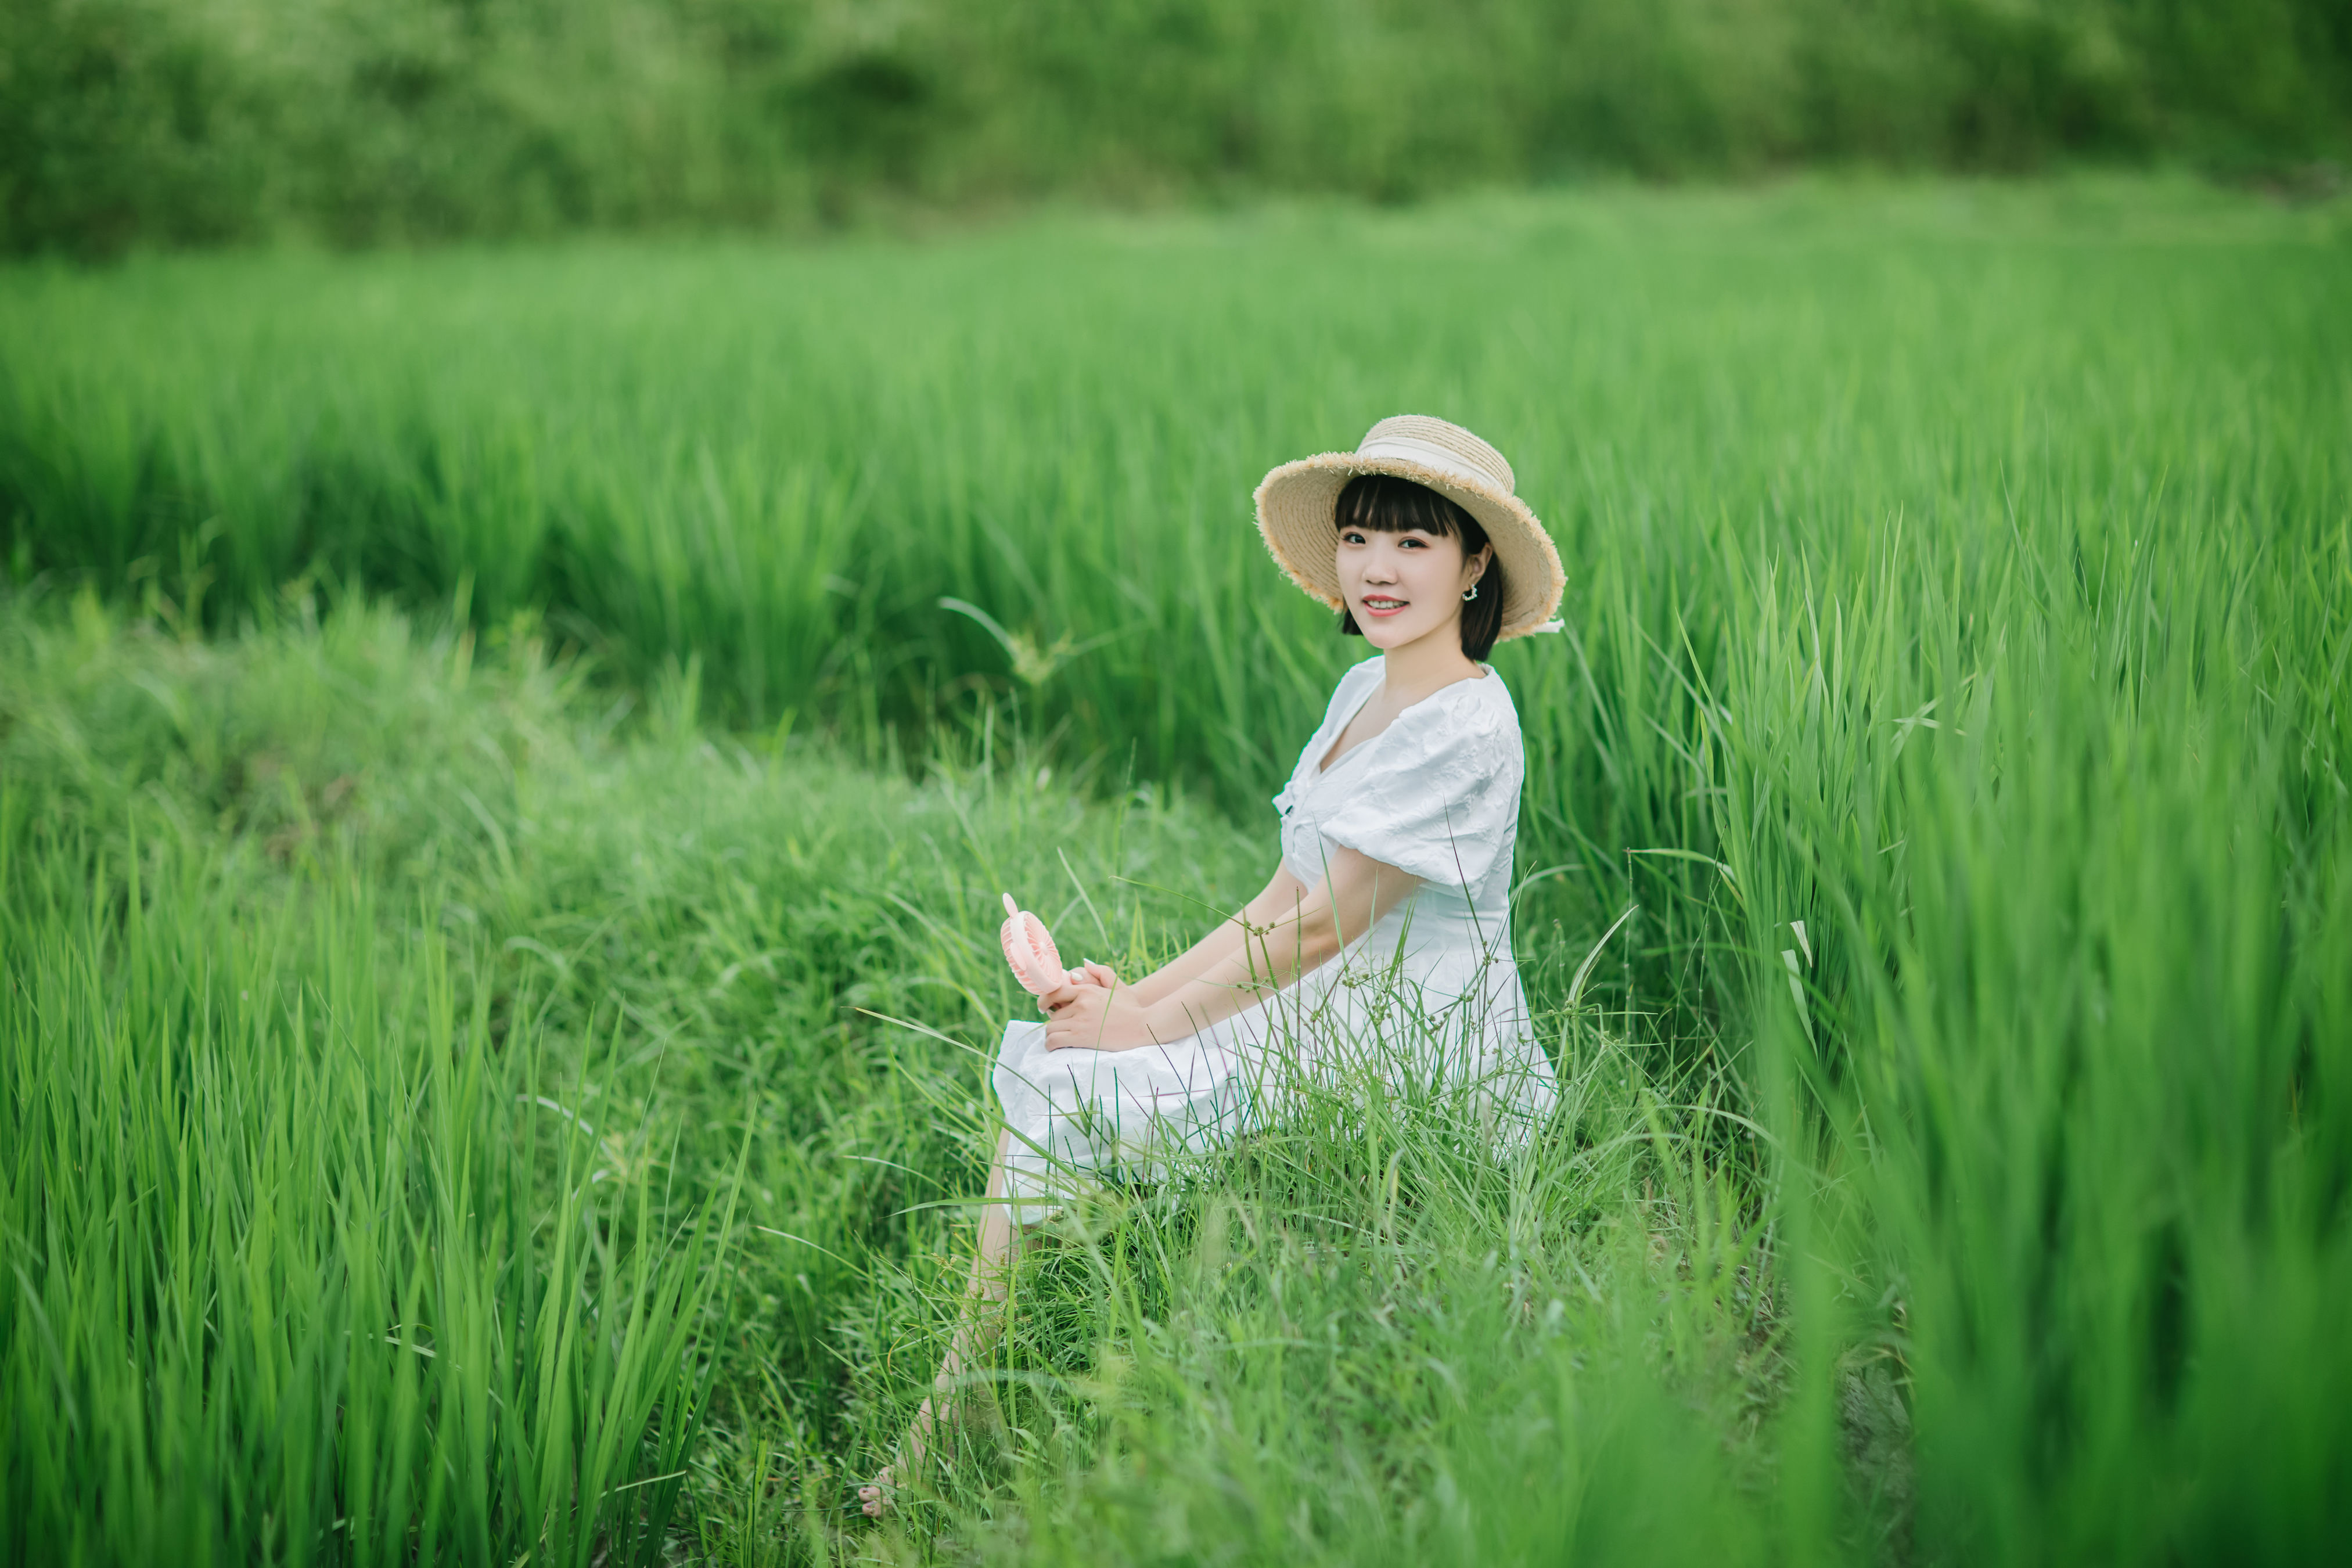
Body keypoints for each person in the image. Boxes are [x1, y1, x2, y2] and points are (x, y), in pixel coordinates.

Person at [861, 414, 1566, 1517]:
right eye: (1361, 540)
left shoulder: (1465, 727)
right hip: (1320, 1004)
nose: (1378, 570)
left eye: (1416, 545)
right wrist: (1122, 998)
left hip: (1409, 1043)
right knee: (1059, 1062)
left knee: (1068, 1087)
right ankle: (973, 1400)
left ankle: (959, 1415)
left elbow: (1329, 929)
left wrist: (1147, 1032)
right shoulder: (1362, 697)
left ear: (1476, 563)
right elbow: (1277, 898)